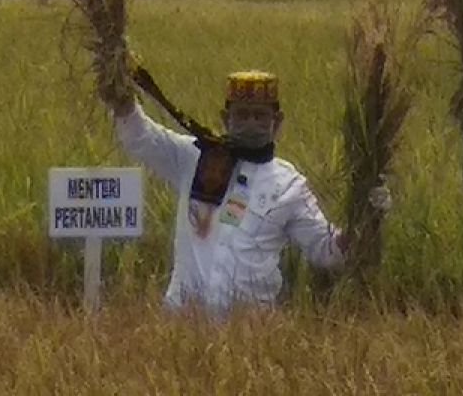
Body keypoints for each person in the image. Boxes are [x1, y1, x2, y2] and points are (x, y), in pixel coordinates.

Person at [105, 69, 387, 312]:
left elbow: (327, 251)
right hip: (183, 322)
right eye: (242, 115)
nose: (251, 123)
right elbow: (140, 136)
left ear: (277, 123)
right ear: (225, 119)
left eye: (260, 116)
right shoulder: (193, 157)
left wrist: (368, 216)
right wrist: (118, 90)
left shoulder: (289, 185)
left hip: (250, 331)